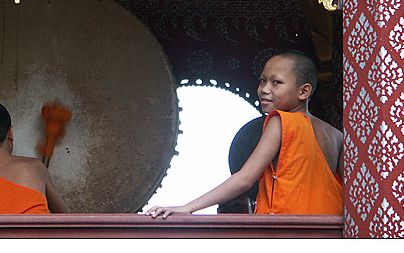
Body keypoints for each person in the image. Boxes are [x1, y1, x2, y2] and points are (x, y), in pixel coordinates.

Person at [147, 50, 343, 218]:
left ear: (304, 92)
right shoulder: (336, 136)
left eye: (276, 83)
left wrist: (188, 208)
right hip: (327, 231)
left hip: (290, 231)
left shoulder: (282, 121)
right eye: (263, 80)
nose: (264, 89)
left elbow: (245, 179)